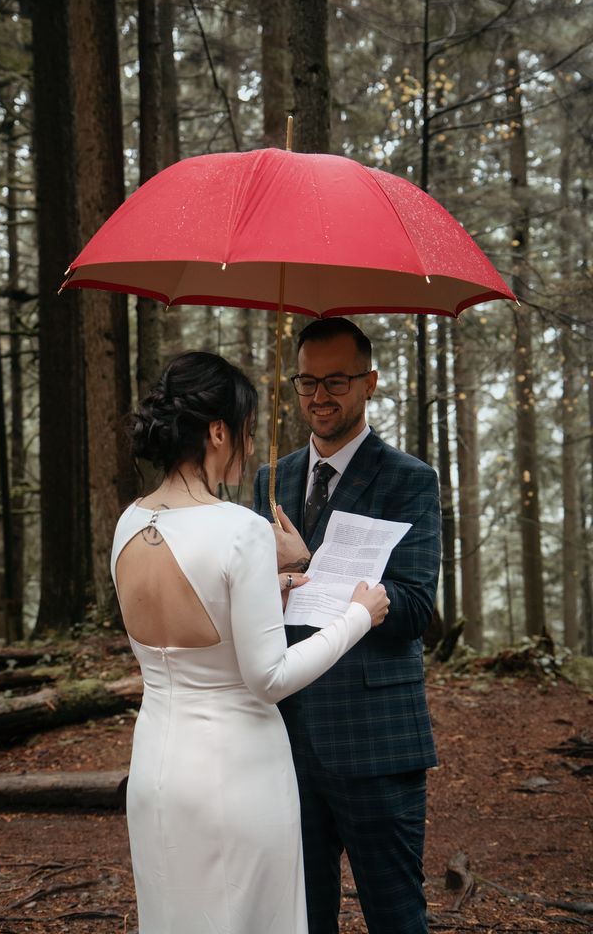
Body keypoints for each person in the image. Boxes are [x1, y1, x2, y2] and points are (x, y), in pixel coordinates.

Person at [110, 350, 390, 934]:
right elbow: (269, 679)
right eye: (243, 428)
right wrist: (358, 616)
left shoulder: (129, 523)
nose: (246, 441)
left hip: (157, 769)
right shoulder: (240, 528)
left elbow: (189, 628)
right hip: (238, 773)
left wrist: (271, 587)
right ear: (217, 430)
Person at [253, 317, 441, 934]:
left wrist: (308, 570)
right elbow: (251, 603)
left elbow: (414, 607)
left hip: (375, 741)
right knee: (301, 918)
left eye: (336, 380)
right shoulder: (270, 479)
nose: (319, 397)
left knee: (396, 917)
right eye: (306, 381)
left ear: (371, 382)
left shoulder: (408, 480)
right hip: (281, 737)